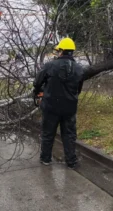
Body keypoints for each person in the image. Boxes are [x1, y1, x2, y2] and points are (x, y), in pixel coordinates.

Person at [33, 38, 84, 169]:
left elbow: (37, 82)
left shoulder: (50, 66)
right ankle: (71, 161)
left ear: (61, 51)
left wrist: (40, 91)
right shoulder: (79, 69)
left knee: (48, 133)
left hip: (50, 106)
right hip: (69, 108)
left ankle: (45, 159)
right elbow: (78, 89)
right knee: (69, 135)